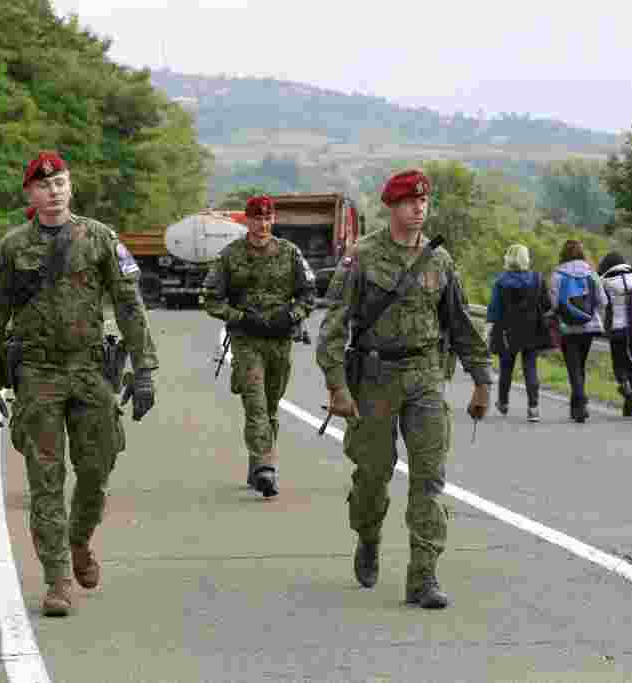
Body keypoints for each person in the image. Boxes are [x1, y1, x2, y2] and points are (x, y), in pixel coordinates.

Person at [0, 151, 159, 617]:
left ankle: (78, 540)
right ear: (30, 195)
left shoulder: (99, 238)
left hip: (91, 371)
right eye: (43, 186)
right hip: (37, 375)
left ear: (69, 188)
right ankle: (57, 581)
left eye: (60, 184)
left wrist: (145, 373)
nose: (53, 192)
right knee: (46, 482)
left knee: (96, 471)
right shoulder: (14, 247)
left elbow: (130, 307)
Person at [315, 169, 492, 609]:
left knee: (429, 478)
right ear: (392, 206)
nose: (419, 208)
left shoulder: (440, 261)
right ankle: (369, 536)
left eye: (424, 202)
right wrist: (338, 387)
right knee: (373, 476)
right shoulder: (362, 257)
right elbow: (332, 328)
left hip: (426, 377)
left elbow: (461, 325)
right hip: (373, 380)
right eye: (410, 202)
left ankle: (423, 576)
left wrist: (482, 379)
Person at [202, 195, 316, 498]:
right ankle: (267, 467)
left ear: (273, 219)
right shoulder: (230, 255)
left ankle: (257, 466)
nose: (262, 225)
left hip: (279, 341)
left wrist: (291, 315)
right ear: (247, 221)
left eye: (267, 219)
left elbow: (309, 294)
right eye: (256, 219)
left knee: (270, 407)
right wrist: (239, 317)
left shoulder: (290, 253)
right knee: (255, 405)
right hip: (246, 341)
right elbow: (210, 298)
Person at [486, 244, 552, 422]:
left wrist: (488, 332)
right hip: (531, 330)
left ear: (508, 258)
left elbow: (494, 310)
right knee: (530, 368)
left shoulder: (500, 281)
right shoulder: (537, 279)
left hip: (507, 331)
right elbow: (547, 305)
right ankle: (533, 408)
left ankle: (503, 403)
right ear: (526, 258)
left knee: (506, 368)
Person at [548, 239, 608, 423]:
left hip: (567, 326)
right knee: (579, 365)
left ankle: (579, 403)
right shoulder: (591, 273)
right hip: (589, 326)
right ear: (582, 253)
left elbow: (553, 303)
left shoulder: (558, 275)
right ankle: (577, 406)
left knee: (573, 366)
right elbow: (602, 301)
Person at [598, 251, 632, 417]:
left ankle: (625, 385)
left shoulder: (604, 281)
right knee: (630, 362)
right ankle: (629, 406)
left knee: (618, 363)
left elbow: (601, 304)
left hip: (617, 329)